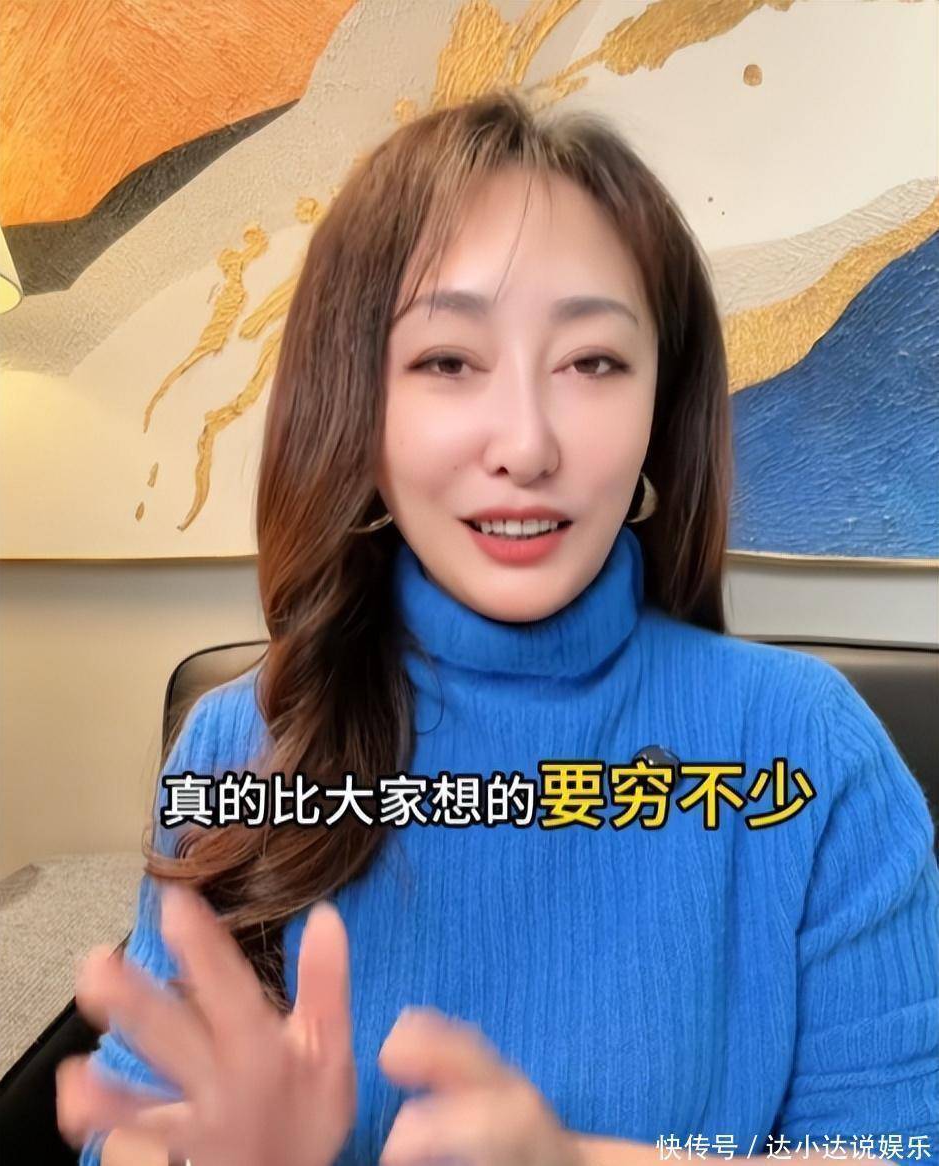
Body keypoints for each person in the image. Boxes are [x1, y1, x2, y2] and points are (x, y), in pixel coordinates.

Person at [56, 88, 939, 1166]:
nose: (526, 444)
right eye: (447, 362)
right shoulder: (240, 746)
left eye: (594, 362)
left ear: (660, 405)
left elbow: (900, 1144)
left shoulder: (809, 749)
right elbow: (137, 1123)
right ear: (358, 407)